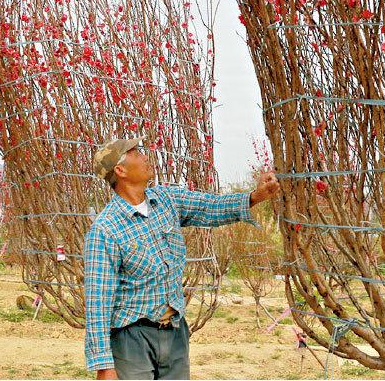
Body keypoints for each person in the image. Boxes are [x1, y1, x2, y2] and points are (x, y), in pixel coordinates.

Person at [84, 134, 280, 380]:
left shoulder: (166, 200)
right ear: (120, 170)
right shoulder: (105, 229)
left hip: (174, 332)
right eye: (136, 153)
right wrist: (104, 364)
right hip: (131, 338)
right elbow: (97, 301)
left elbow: (211, 206)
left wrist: (255, 196)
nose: (145, 157)